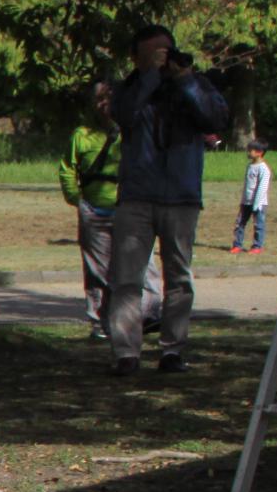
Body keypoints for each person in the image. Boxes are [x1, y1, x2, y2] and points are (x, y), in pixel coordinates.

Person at [107, 24, 228, 375]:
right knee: (127, 278)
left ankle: (173, 351)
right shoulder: (130, 88)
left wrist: (185, 80)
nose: (163, 58)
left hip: (181, 196)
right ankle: (126, 353)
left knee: (179, 278)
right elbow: (124, 115)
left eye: (167, 51)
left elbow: (215, 119)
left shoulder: (195, 84)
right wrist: (148, 78)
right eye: (154, 53)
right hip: (137, 196)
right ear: (137, 57)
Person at [59, 79, 158, 337]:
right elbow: (68, 169)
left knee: (143, 266)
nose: (105, 106)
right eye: (100, 100)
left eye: (110, 99)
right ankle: (99, 324)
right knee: (97, 272)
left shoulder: (135, 131)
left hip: (129, 207)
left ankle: (145, 316)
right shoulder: (81, 135)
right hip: (94, 211)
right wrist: (77, 200)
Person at [232, 139, 271, 253]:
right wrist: (243, 200)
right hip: (246, 202)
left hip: (259, 203)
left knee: (258, 225)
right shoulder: (250, 166)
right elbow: (247, 185)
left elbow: (262, 187)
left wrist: (257, 203)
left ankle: (257, 246)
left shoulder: (263, 168)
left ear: (259, 152)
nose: (248, 152)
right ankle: (237, 245)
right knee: (240, 223)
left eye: (250, 150)